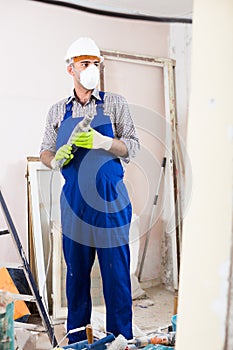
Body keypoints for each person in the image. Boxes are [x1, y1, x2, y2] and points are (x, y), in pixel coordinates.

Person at [40, 37, 140, 344]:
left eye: (95, 64)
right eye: (85, 64)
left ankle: (120, 339)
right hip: (75, 204)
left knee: (117, 278)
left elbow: (133, 147)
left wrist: (105, 142)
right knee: (77, 277)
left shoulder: (116, 103)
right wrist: (55, 159)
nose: (91, 70)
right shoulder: (57, 111)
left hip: (111, 200)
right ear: (70, 69)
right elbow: (44, 151)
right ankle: (76, 340)